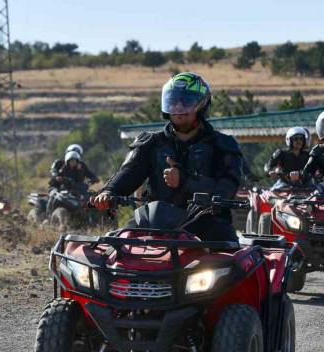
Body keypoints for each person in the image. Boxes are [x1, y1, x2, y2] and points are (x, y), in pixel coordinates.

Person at [91, 72, 243, 242]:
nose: (178, 107)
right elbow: (129, 172)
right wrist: (110, 191)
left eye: (186, 100)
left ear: (202, 104)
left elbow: (227, 187)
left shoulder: (222, 145)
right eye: (174, 100)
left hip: (205, 223)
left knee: (231, 254)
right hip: (153, 221)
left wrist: (185, 180)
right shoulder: (150, 143)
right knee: (117, 247)